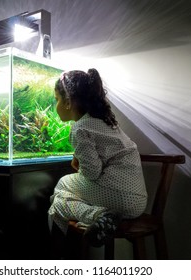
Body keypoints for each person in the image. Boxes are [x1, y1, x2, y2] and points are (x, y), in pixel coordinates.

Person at [48, 68, 147, 253]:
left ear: (68, 102)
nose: (56, 105)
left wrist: (79, 165)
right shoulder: (106, 122)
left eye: (56, 100)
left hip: (118, 198)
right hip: (138, 202)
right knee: (61, 198)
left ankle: (99, 215)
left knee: (61, 188)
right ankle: (103, 219)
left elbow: (92, 172)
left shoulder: (80, 128)